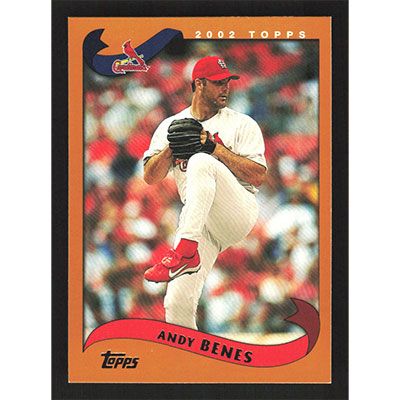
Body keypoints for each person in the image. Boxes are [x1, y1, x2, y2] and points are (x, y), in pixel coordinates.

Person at [142, 55, 267, 329]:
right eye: (218, 82)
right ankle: (185, 356)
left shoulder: (241, 123)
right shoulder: (171, 125)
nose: (226, 88)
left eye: (228, 82)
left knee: (201, 160)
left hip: (237, 211)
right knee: (176, 304)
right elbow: (150, 177)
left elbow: (258, 176)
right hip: (200, 225)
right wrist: (171, 148)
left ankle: (185, 252)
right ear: (199, 84)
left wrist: (214, 148)